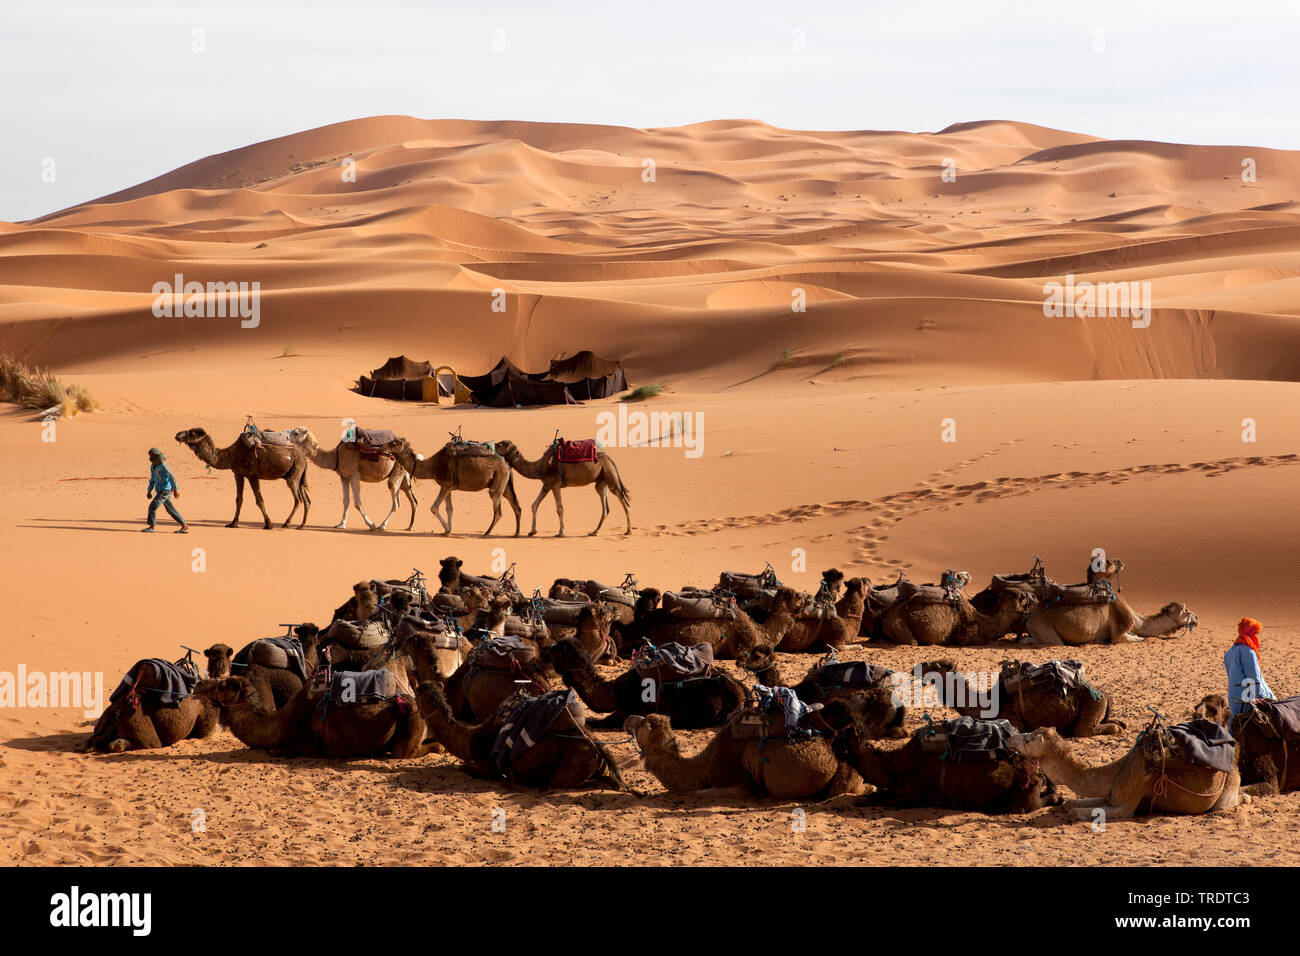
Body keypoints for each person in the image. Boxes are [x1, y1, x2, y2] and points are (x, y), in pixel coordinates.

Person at [1225, 617, 1273, 715]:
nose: (1256, 636)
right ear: (1249, 633)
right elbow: (1254, 679)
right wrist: (1263, 698)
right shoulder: (1248, 652)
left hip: (1233, 699)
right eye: (1255, 633)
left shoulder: (1229, 652)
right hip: (1247, 700)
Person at [144, 447, 188, 533]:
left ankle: (151, 527)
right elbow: (152, 479)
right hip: (159, 491)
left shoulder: (164, 465)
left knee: (152, 507)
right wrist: (149, 490)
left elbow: (172, 477)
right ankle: (184, 525)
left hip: (165, 491)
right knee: (170, 509)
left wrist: (175, 490)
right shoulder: (153, 466)